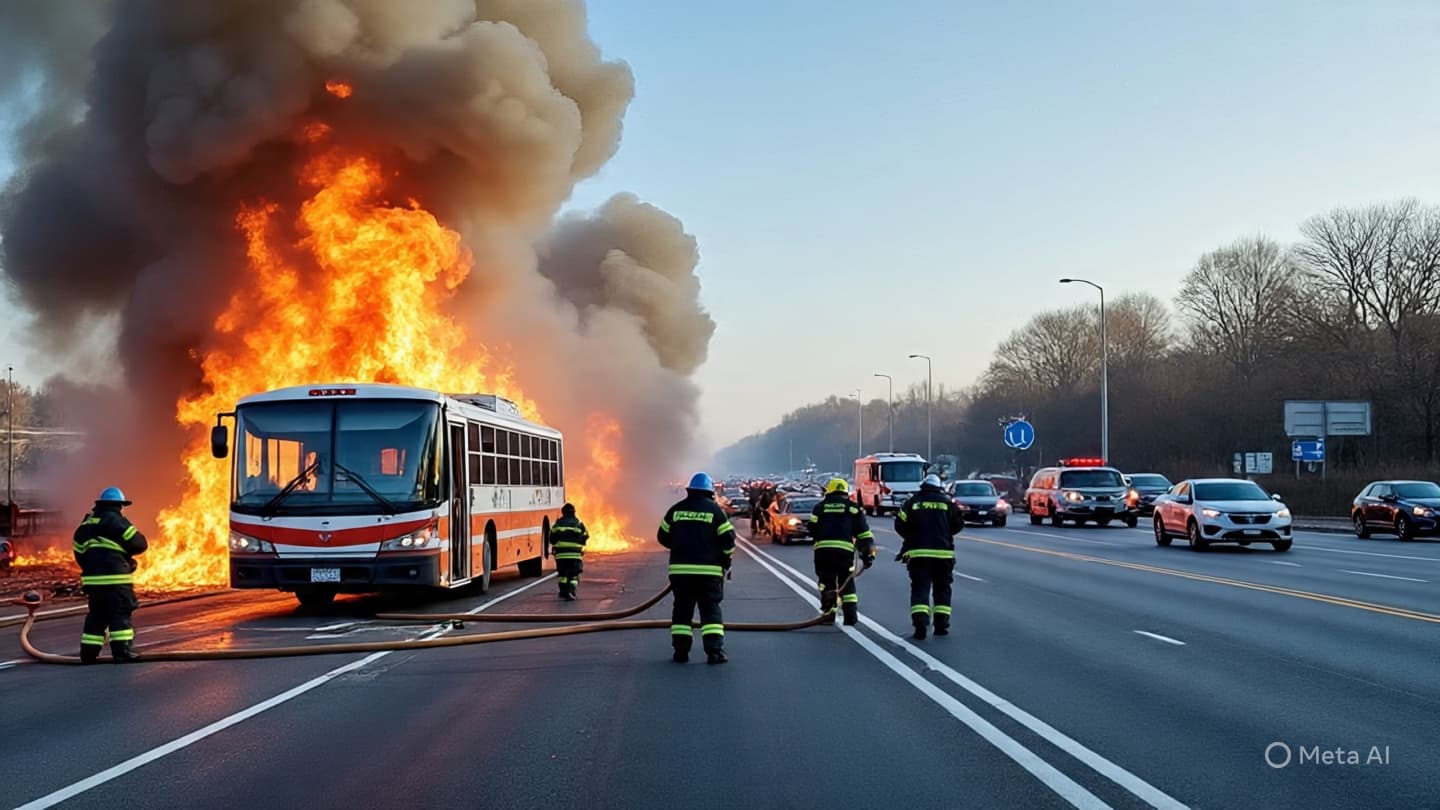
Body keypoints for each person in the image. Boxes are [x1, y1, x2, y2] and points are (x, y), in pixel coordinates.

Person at [657, 472, 736, 664]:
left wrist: (679, 547)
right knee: (710, 611)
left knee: (682, 610)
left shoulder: (675, 510)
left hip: (680, 572)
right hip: (708, 572)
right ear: (710, 492)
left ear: (690, 490)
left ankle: (681, 652)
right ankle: (714, 652)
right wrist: (724, 559)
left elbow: (662, 537)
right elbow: (729, 541)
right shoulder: (716, 512)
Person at [73, 487, 148, 663]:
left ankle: (88, 654)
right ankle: (121, 652)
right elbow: (139, 544)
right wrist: (124, 559)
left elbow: (79, 554)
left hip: (93, 582)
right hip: (116, 580)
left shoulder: (85, 526)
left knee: (97, 616)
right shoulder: (117, 521)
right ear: (118, 505)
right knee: (120, 614)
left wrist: (94, 568)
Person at [894, 474, 963, 640]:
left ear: (923, 486)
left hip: (918, 554)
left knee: (920, 588)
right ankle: (941, 625)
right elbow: (958, 524)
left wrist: (911, 537)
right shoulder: (947, 503)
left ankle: (920, 625)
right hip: (943, 554)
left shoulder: (912, 502)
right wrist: (944, 533)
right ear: (939, 487)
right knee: (942, 589)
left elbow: (899, 523)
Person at [809, 478, 874, 625]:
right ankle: (850, 617)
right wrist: (867, 554)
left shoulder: (820, 507)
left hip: (823, 552)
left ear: (829, 491)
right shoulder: (853, 508)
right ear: (845, 491)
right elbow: (864, 534)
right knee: (847, 581)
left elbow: (812, 528)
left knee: (826, 581)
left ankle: (828, 615)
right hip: (844, 552)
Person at [551, 503, 589, 600]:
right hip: (575, 555)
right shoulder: (578, 524)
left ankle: (563, 592)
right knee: (573, 576)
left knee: (563, 575)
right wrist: (579, 544)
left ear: (563, 512)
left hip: (560, 555)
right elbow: (585, 536)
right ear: (574, 512)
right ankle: (571, 591)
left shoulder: (557, 524)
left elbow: (552, 538)